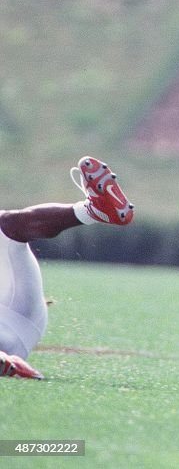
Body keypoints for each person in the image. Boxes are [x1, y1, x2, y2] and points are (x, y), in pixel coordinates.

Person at [0, 156, 134, 379]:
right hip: (13, 326)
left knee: (6, 226)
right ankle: (7, 363)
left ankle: (96, 209)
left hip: (12, 310)